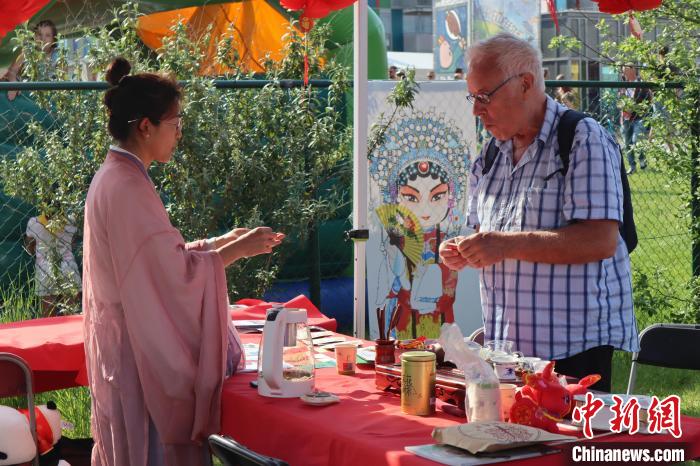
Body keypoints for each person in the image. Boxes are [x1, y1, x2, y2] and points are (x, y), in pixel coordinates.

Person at [82, 57, 284, 466]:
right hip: (138, 352)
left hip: (129, 344)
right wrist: (236, 251)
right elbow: (169, 276)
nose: (179, 134)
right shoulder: (125, 185)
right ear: (145, 126)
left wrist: (219, 242)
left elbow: (158, 261)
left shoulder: (121, 175)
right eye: (175, 124)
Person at [439, 33, 639, 392]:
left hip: (575, 349)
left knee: (568, 446)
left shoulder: (582, 138)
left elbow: (600, 240)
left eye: (484, 96)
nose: (476, 109)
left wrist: (503, 245)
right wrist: (465, 249)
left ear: (525, 84)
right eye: (473, 97)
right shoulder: (490, 156)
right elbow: (488, 237)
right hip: (509, 352)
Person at [25, 211, 81, 317]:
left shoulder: (34, 222)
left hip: (45, 268)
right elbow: (72, 243)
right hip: (68, 265)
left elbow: (30, 247)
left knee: (48, 314)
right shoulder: (71, 220)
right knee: (72, 312)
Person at [1, 20, 59, 101]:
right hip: (27, 95)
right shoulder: (27, 51)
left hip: (48, 98)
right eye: (39, 34)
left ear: (54, 39)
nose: (43, 38)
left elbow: (64, 79)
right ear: (34, 36)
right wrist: (13, 84)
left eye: (48, 35)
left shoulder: (58, 56)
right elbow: (12, 71)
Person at [620, 65, 651, 174]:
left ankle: (642, 158)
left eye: (626, 71)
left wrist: (634, 108)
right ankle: (632, 166)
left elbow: (648, 100)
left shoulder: (641, 84)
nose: (624, 74)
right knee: (627, 143)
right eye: (623, 72)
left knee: (636, 140)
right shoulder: (623, 85)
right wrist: (622, 112)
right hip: (626, 118)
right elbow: (619, 101)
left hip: (639, 118)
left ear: (632, 71)